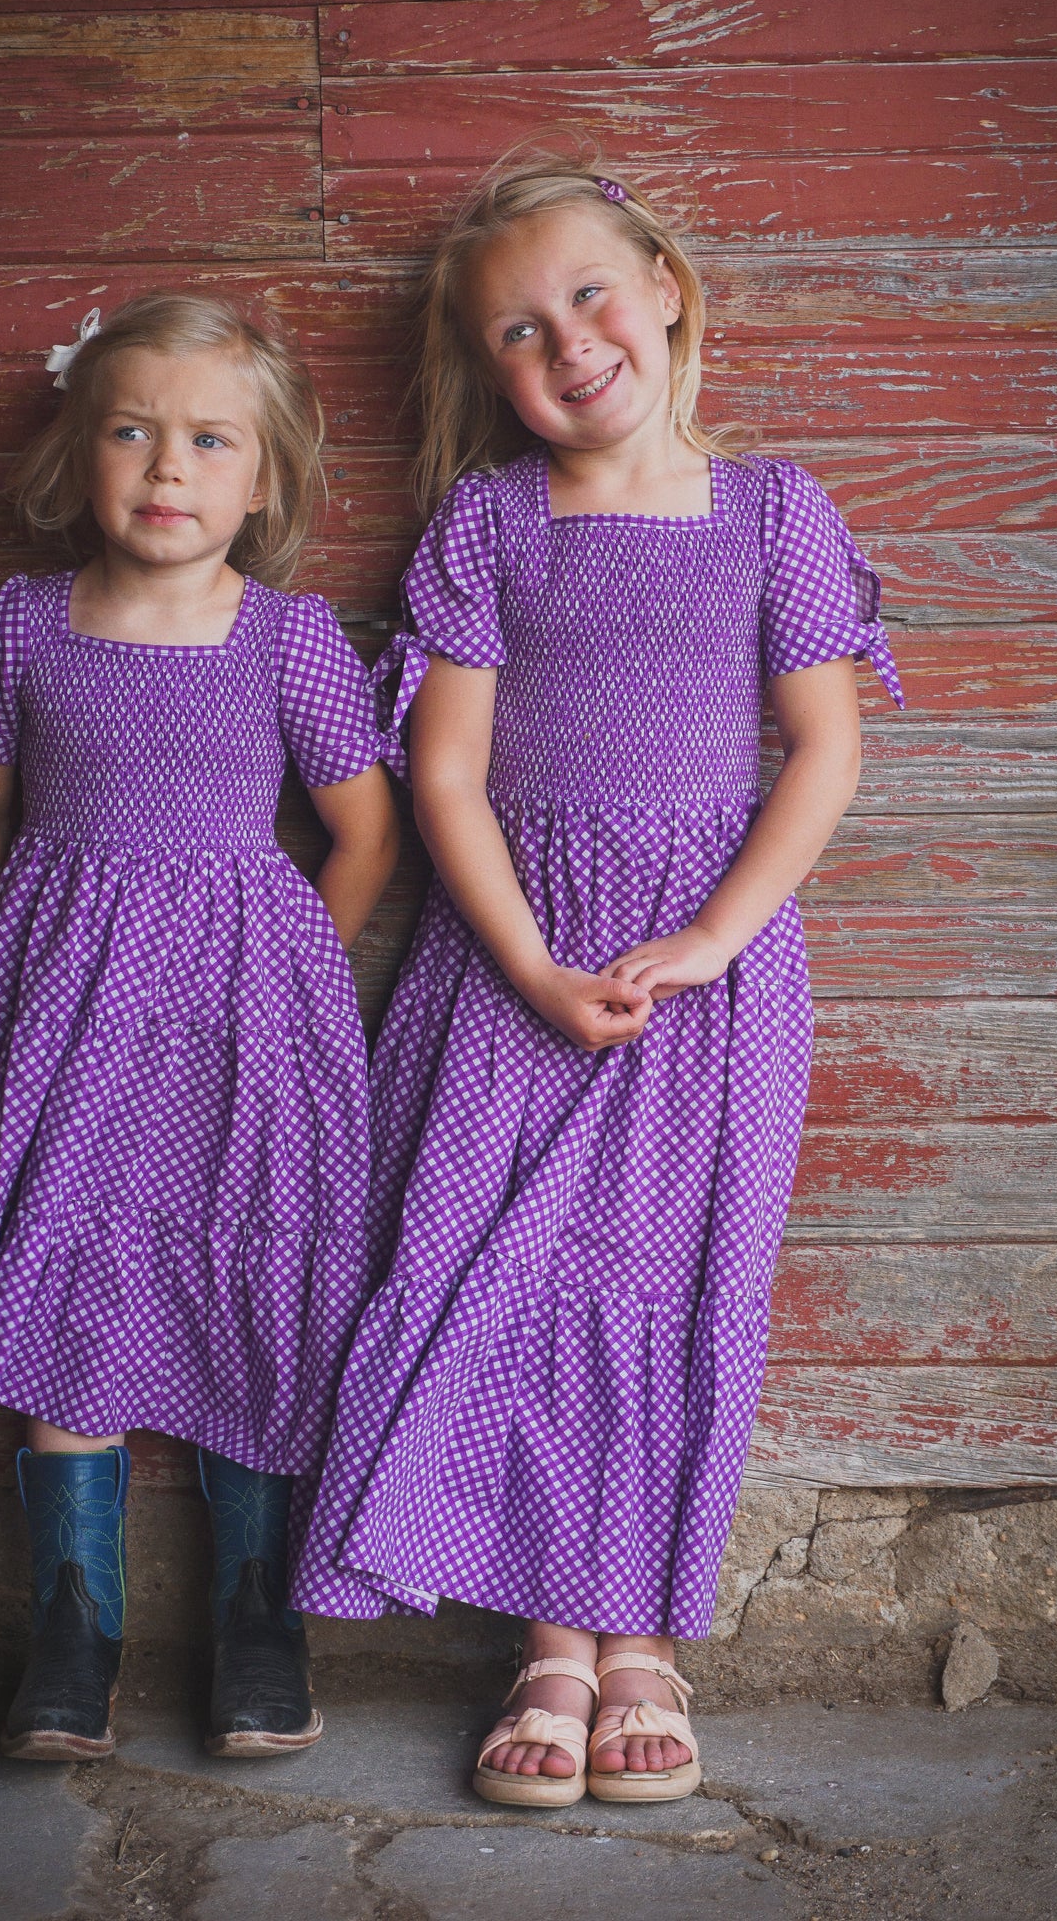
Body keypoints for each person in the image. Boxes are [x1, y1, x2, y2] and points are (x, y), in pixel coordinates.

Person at [293, 155, 904, 1807]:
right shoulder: (484, 527)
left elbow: (824, 747)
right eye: (514, 329)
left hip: (708, 974)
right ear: (485, 373)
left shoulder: (776, 511)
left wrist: (710, 938)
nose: (563, 341)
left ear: (667, 290)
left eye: (586, 294)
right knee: (495, 1278)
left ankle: (631, 1638)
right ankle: (549, 1648)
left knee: (656, 1293)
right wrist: (528, 967)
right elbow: (443, 782)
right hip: (514, 959)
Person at [0, 293, 399, 1764]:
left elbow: (361, 831)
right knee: (69, 1293)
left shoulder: (291, 643)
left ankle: (261, 1624)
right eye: (130, 431)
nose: (165, 468)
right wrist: (35, 958)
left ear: (264, 481)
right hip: (62, 1021)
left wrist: (285, 975)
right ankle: (75, 1631)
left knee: (253, 1295)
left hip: (251, 1035)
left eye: (206, 441)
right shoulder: (23, 626)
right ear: (79, 452)